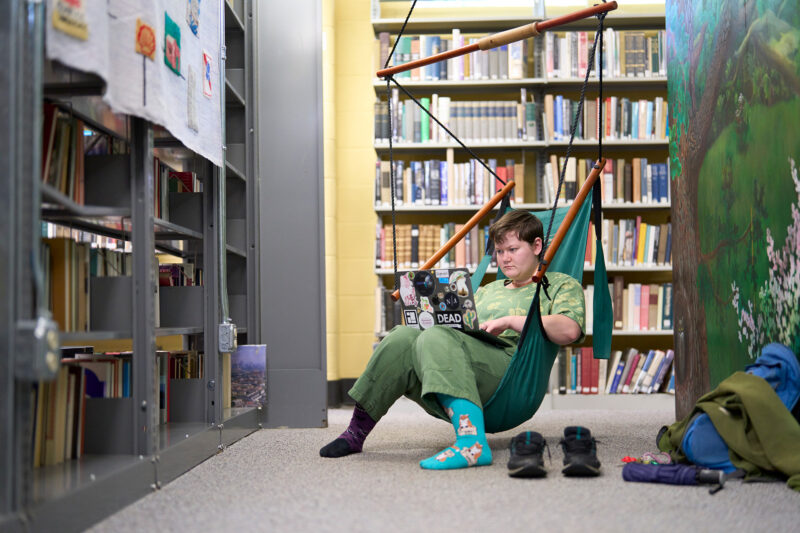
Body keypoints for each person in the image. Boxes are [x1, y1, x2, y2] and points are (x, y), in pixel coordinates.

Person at [320, 210, 585, 470]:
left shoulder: (559, 284)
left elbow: (570, 330)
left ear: (537, 245)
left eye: (513, 249)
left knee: (438, 336)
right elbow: (458, 330)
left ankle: (471, 443)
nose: (505, 259)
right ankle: (356, 433)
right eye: (500, 251)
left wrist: (510, 321)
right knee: (402, 336)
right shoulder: (487, 290)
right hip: (464, 360)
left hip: (512, 371)